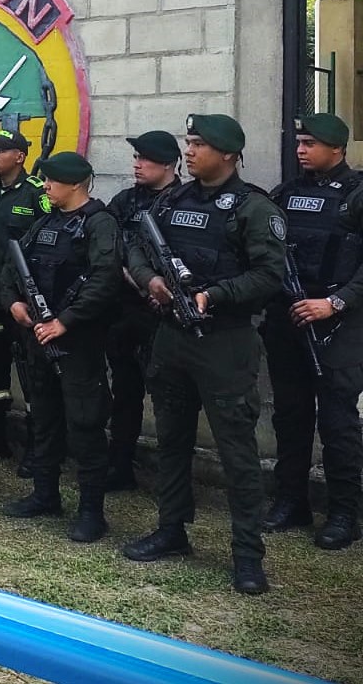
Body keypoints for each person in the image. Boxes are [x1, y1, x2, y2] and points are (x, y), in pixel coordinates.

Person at [123, 114, 284, 595]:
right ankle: (172, 529)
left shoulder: (255, 208)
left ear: (229, 154)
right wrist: (151, 280)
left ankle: (248, 556)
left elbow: (269, 275)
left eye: (199, 144)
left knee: (237, 453)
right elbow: (135, 246)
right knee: (172, 441)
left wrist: (212, 296)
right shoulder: (173, 200)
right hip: (171, 338)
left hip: (225, 343)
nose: (189, 151)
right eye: (188, 142)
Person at [0, 151, 121, 543]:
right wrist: (14, 302)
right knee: (44, 420)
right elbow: (12, 269)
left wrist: (64, 322)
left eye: (51, 181)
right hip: (38, 339)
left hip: (78, 344)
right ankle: (44, 494)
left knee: (85, 426)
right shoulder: (45, 223)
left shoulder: (100, 225)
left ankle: (91, 512)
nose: (45, 186)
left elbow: (104, 281)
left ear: (74, 184)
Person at [259, 113, 363, 550]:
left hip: (337, 322)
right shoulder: (285, 193)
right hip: (289, 318)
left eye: (310, 143)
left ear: (337, 148)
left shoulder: (357, 194)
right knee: (291, 415)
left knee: (338, 423)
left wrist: (335, 302)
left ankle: (343, 513)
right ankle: (291, 500)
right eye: (299, 142)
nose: (300, 150)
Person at [104, 131, 181, 490]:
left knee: (170, 399)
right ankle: (120, 465)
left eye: (144, 159)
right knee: (125, 393)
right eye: (135, 157)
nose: (136, 164)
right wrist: (139, 283)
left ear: (168, 163)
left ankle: (172, 479)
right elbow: (110, 246)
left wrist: (164, 292)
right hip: (127, 310)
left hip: (170, 315)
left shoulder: (185, 200)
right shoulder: (125, 201)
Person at [0, 129, 50, 472]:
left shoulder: (37, 194)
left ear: (19, 156)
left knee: (33, 374)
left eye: (0, 150)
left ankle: (39, 449)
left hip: (25, 301)